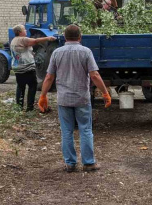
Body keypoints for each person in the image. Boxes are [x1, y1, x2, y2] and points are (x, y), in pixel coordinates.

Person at [38, 24, 112, 172]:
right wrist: (105, 92)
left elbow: (49, 77)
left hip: (64, 99)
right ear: (80, 37)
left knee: (66, 131)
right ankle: (88, 163)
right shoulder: (86, 52)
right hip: (82, 99)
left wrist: (43, 95)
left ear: (65, 37)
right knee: (85, 130)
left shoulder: (57, 53)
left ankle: (70, 164)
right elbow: (94, 75)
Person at [10, 25, 56, 111]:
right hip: (26, 68)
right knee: (32, 86)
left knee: (20, 86)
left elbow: (22, 51)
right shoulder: (22, 39)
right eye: (24, 30)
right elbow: (35, 41)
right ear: (20, 32)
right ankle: (29, 107)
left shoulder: (13, 41)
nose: (26, 31)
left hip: (17, 68)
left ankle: (19, 107)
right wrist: (48, 38)